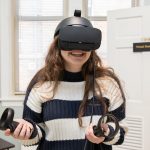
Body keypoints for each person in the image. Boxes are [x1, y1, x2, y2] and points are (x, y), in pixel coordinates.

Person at [4, 10, 128, 150]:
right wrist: (26, 132)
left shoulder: (107, 83)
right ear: (58, 44)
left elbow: (120, 128)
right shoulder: (41, 84)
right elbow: (37, 131)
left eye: (84, 42)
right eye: (71, 41)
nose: (78, 48)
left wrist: (107, 133)